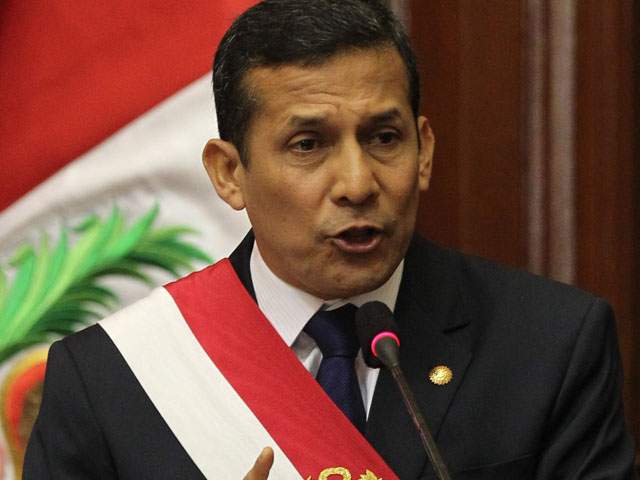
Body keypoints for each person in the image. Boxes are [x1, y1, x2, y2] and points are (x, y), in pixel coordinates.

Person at [24, 0, 636, 478]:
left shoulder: (550, 345)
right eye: (308, 145)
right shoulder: (109, 379)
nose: (357, 183)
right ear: (229, 173)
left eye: (384, 138)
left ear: (424, 151)